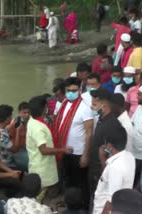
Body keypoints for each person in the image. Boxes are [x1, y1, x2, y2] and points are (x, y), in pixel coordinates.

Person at [53, 77, 94, 209]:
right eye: (68, 90)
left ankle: (84, 207)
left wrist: (86, 155)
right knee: (68, 180)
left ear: (79, 90)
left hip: (78, 152)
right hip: (65, 150)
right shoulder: (64, 104)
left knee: (81, 183)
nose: (71, 93)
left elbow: (89, 132)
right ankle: (70, 205)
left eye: (74, 90)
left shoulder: (85, 108)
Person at [27, 96, 72, 197]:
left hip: (39, 163)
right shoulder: (38, 127)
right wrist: (63, 150)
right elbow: (43, 150)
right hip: (42, 166)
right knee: (40, 193)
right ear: (44, 108)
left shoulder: (33, 121)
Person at [88, 88, 123, 209]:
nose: (92, 107)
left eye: (94, 104)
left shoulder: (111, 126)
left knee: (98, 202)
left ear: (104, 106)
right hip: (95, 170)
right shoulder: (102, 120)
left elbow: (111, 155)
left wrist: (102, 175)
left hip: (101, 173)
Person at [93, 126, 135, 214]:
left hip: (103, 210)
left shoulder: (115, 167)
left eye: (105, 143)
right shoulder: (130, 157)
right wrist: (102, 158)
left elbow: (110, 202)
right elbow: (109, 176)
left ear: (109, 146)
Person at [0, 105, 22, 170]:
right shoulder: (3, 137)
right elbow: (15, 150)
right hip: (7, 163)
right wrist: (18, 131)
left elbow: (3, 129)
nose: (11, 118)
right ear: (7, 118)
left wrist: (10, 126)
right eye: (10, 116)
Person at [9, 102, 31, 172]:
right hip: (18, 151)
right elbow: (15, 147)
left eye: (28, 112)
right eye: (24, 113)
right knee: (30, 163)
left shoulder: (32, 122)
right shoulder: (14, 124)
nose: (27, 115)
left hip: (28, 147)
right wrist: (18, 131)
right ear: (19, 113)